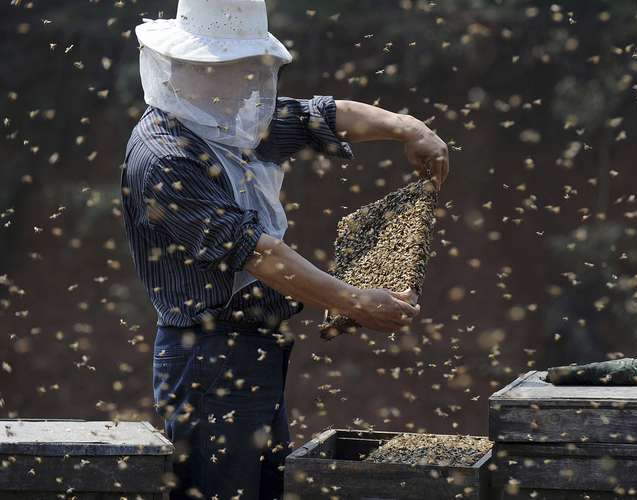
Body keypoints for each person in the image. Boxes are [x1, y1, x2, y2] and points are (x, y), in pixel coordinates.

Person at [120, 1, 449, 498]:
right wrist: (352, 299)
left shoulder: (237, 119)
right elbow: (257, 254)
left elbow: (322, 116)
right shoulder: (165, 155)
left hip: (255, 348)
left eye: (245, 68)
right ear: (184, 67)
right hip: (207, 357)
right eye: (226, 69)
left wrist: (408, 127)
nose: (241, 81)